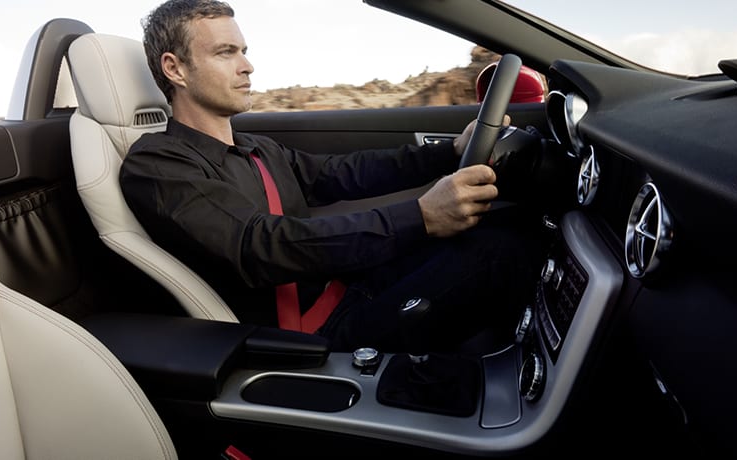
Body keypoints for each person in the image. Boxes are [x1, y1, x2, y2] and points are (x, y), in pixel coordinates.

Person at [120, 0, 542, 353]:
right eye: (225, 53)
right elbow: (259, 244)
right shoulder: (157, 164)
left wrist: (447, 152)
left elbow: (343, 174)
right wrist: (421, 217)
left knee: (506, 225)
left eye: (243, 50)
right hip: (309, 337)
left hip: (349, 287)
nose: (247, 66)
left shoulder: (257, 148)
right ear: (175, 69)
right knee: (499, 255)